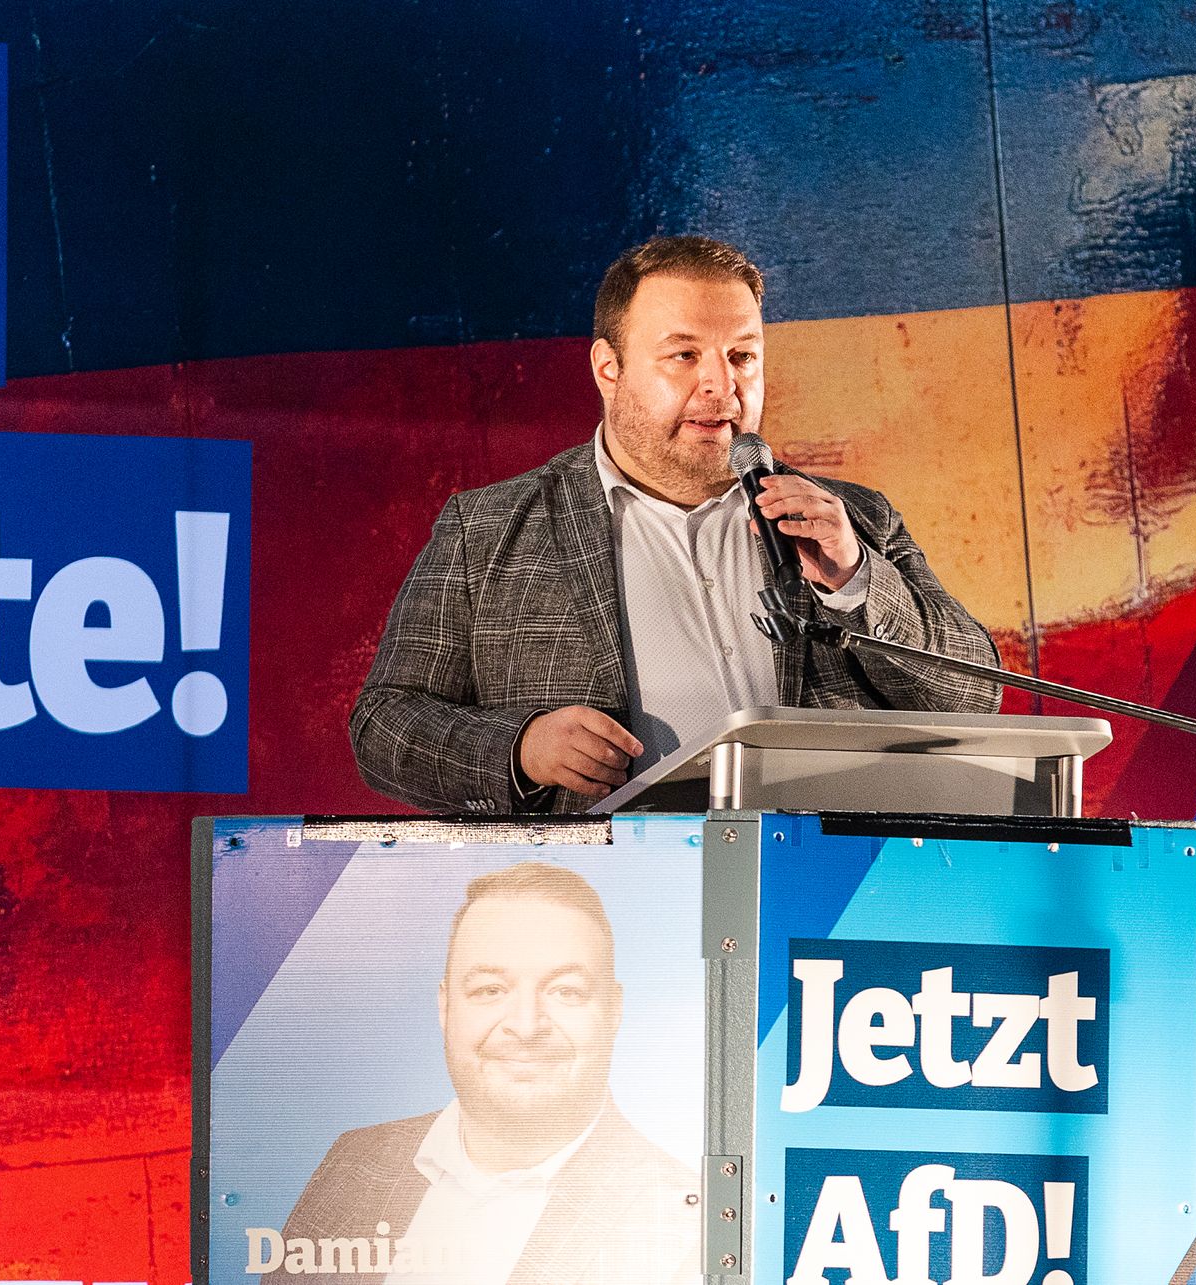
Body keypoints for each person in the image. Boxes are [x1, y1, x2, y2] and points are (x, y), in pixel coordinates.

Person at [351, 235, 1002, 814]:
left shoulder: (854, 520)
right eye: (684, 355)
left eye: (742, 356)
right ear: (609, 369)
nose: (721, 385)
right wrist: (521, 748)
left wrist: (857, 578)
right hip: (608, 909)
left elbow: (977, 700)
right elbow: (383, 727)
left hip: (813, 910)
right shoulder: (488, 531)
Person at [268, 861, 697, 1284]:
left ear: (614, 1010)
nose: (526, 1026)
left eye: (566, 991)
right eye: (489, 990)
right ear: (445, 1007)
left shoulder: (688, 1216)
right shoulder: (355, 1159)